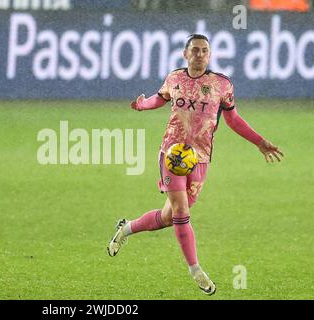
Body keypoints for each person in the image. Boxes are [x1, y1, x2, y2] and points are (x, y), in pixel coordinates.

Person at [106, 34, 284, 295]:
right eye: (195, 50)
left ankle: (126, 229)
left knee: (169, 217)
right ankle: (195, 269)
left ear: (209, 55)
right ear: (185, 54)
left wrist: (258, 141)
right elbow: (159, 97)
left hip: (200, 158)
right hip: (173, 154)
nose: (200, 54)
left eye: (205, 51)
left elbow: (233, 119)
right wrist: (142, 105)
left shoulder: (221, 85)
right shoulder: (175, 78)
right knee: (180, 211)